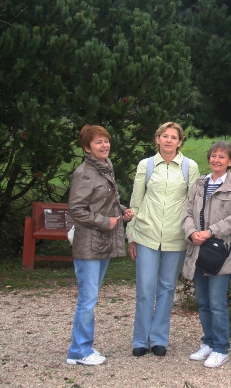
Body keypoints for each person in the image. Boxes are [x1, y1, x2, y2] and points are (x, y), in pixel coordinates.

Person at [126, 122, 200, 357]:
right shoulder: (146, 165)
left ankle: (159, 338)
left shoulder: (190, 167)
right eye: (164, 136)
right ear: (157, 139)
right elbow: (136, 202)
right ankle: (140, 339)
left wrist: (191, 234)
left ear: (180, 142)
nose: (169, 140)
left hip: (176, 237)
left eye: (173, 137)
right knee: (145, 288)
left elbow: (193, 205)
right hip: (146, 234)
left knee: (167, 288)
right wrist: (131, 235)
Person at [66, 124, 134, 366]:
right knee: (87, 299)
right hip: (89, 245)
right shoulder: (84, 173)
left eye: (106, 141)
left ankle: (81, 347)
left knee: (90, 297)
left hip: (102, 242)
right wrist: (105, 222)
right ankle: (79, 350)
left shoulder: (105, 167)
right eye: (98, 142)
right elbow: (76, 209)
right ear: (87, 147)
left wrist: (122, 210)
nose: (104, 145)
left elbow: (105, 202)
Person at [181, 141, 231, 368]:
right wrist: (191, 233)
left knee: (217, 303)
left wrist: (210, 232)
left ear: (230, 161)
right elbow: (186, 211)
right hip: (198, 249)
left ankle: (220, 348)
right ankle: (208, 342)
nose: (216, 160)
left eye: (222, 156)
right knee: (203, 301)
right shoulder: (200, 183)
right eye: (213, 156)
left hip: (221, 253)